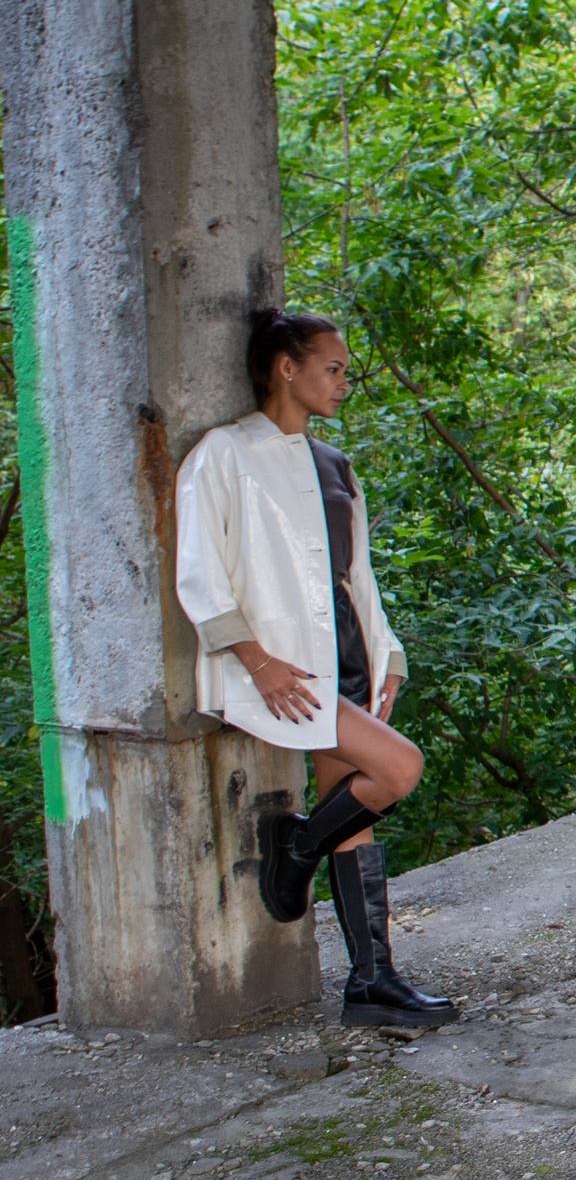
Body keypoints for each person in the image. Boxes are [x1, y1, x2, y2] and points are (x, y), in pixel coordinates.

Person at [174, 309, 452, 1030]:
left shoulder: (335, 466)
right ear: (286, 367)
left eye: (345, 371)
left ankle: (371, 983)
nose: (343, 383)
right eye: (333, 368)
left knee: (351, 816)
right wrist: (257, 661)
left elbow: (357, 576)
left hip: (347, 659)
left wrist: (389, 653)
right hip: (284, 672)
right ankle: (296, 845)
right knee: (398, 769)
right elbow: (200, 574)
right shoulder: (223, 454)